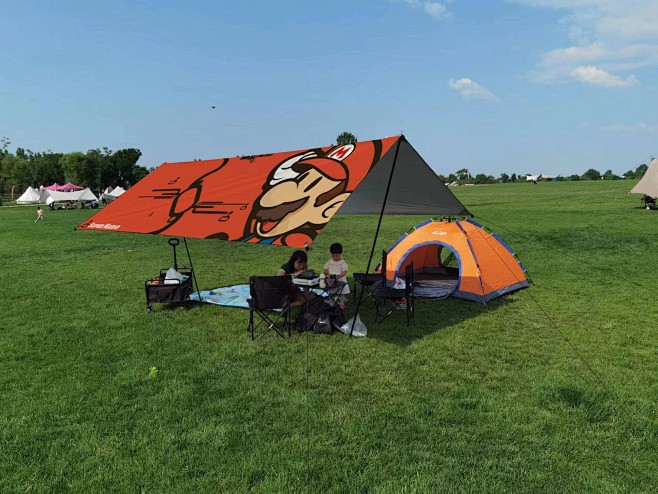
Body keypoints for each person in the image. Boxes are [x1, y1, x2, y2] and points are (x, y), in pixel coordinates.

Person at [323, 242, 350, 310]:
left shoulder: (342, 263)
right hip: (332, 280)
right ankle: (331, 303)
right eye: (333, 256)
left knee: (342, 294)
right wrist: (326, 272)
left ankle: (341, 304)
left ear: (340, 254)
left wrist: (340, 275)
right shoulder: (330, 261)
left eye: (337, 256)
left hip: (340, 280)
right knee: (332, 293)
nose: (335, 257)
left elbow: (345, 271)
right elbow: (325, 268)